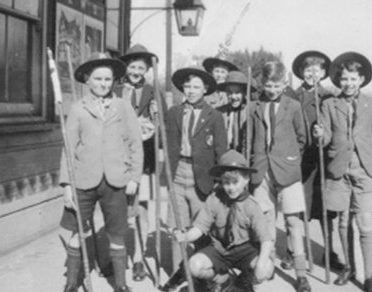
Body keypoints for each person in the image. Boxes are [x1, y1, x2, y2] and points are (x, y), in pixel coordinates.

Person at [59, 52, 143, 292]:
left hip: (116, 180)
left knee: (117, 232)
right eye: (98, 79)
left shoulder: (123, 107)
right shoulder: (77, 108)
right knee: (78, 231)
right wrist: (67, 185)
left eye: (108, 79)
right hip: (83, 180)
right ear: (87, 80)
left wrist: (135, 177)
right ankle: (72, 282)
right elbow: (68, 148)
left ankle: (120, 283)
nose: (103, 84)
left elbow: (135, 144)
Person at [313, 52, 372, 292]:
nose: (348, 83)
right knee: (344, 222)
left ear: (362, 79)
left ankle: (369, 276)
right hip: (338, 170)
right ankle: (349, 267)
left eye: (353, 79)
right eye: (344, 79)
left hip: (365, 170)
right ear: (338, 80)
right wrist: (319, 135)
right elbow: (324, 139)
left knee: (365, 223)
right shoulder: (328, 104)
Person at [173, 150, 274, 292]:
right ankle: (222, 279)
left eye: (235, 182)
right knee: (194, 265)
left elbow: (266, 240)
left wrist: (261, 264)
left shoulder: (252, 206)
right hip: (220, 249)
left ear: (246, 179)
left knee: (266, 269)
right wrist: (185, 236)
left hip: (245, 250)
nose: (231, 188)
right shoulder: (214, 200)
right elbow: (199, 228)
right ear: (221, 181)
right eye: (226, 182)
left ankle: (242, 282)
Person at [250, 60, 311, 292]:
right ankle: (269, 264)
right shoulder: (254, 106)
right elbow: (251, 138)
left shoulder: (293, 106)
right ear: (262, 84)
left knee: (293, 222)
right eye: (268, 85)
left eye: (277, 85)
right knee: (266, 221)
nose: (272, 90)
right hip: (262, 171)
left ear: (284, 83)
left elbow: (302, 138)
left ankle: (301, 273)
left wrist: (290, 159)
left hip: (288, 171)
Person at [282, 51, 344, 271]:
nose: (312, 74)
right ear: (300, 72)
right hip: (298, 160)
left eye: (317, 70)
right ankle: (293, 251)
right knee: (295, 208)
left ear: (324, 73)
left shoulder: (329, 97)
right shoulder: (291, 96)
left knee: (325, 209)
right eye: (308, 70)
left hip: (321, 162)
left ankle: (329, 252)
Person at [166, 66, 228, 274]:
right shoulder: (174, 112)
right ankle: (178, 274)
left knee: (200, 227)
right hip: (177, 172)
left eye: (196, 87)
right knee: (177, 227)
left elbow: (221, 151)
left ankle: (200, 272)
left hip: (201, 176)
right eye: (187, 86)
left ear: (205, 89)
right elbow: (165, 141)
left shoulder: (215, 116)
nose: (191, 91)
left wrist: (220, 181)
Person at [117, 44, 167, 281]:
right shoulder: (116, 90)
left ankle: (138, 258)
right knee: (116, 208)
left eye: (141, 67)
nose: (136, 71)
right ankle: (115, 257)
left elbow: (164, 131)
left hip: (144, 160)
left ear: (147, 70)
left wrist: (157, 117)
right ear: (126, 67)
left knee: (142, 209)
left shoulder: (153, 91)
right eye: (132, 66)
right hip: (117, 159)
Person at [216, 71, 257, 154]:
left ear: (244, 93)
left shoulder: (252, 111)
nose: (233, 97)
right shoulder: (219, 112)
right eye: (230, 93)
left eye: (237, 92)